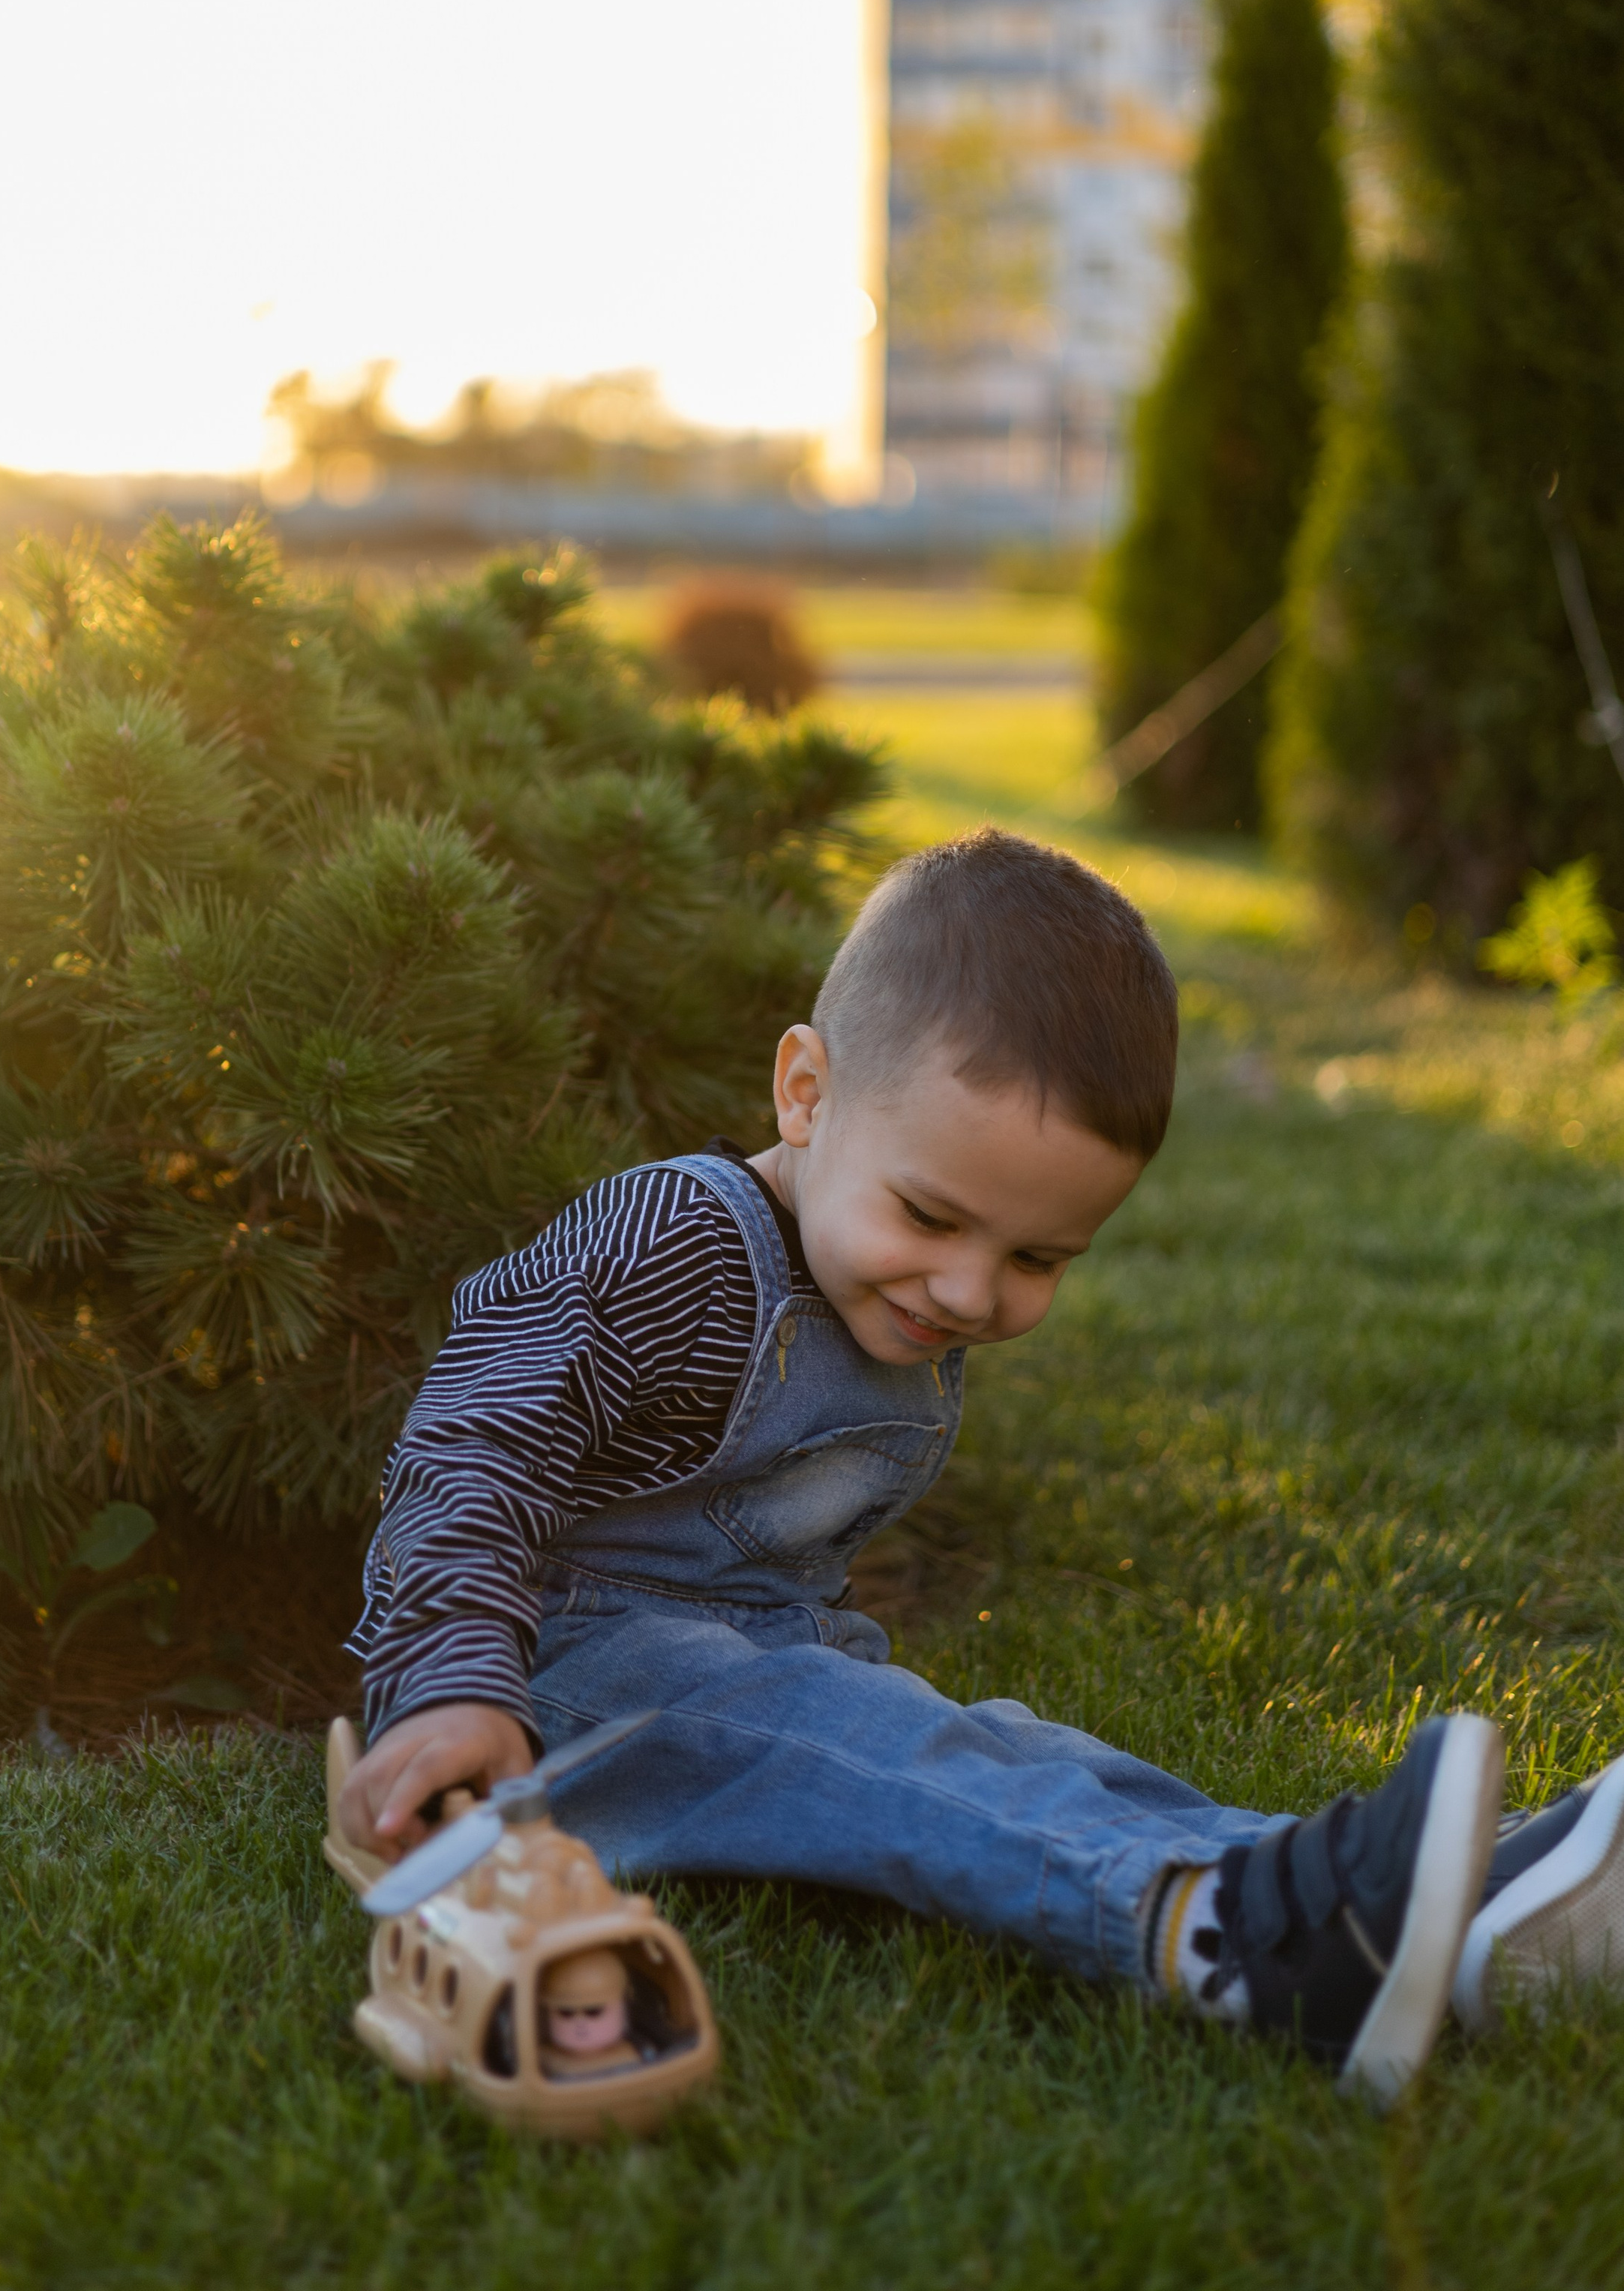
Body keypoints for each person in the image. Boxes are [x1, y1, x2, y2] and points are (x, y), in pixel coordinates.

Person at [341, 827, 1624, 2099]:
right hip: (554, 1687)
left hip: (757, 1653)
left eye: (1038, 1260)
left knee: (1001, 1752)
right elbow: (469, 1446)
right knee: (849, 1737)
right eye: (932, 1217)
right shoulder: (670, 1243)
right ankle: (1220, 1940)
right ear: (806, 1091)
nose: (968, 1291)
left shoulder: (889, 1273)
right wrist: (456, 1687)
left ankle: (1423, 1899)